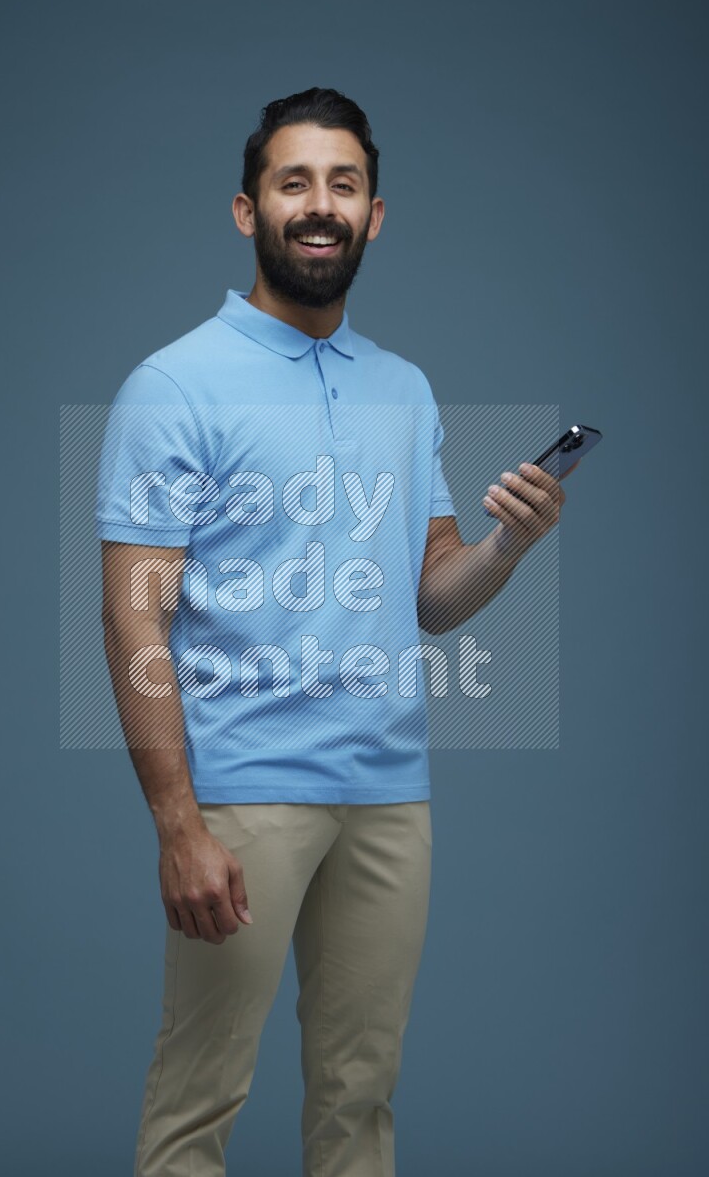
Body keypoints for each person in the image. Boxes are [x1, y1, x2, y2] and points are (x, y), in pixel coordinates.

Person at [95, 87, 568, 1177]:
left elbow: (428, 596)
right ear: (245, 208)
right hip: (244, 792)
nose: (319, 205)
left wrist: (508, 546)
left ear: (374, 213)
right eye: (293, 181)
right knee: (196, 1102)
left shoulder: (402, 388)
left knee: (360, 1099)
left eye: (341, 183)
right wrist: (178, 822)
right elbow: (133, 612)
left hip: (389, 794)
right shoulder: (173, 385)